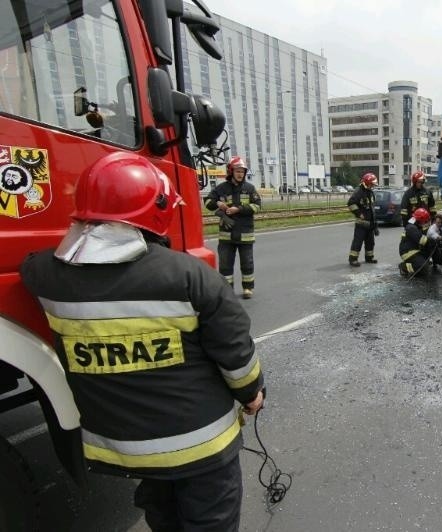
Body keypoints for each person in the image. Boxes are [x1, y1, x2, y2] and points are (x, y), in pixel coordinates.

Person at [20, 152, 265, 531]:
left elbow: (31, 261)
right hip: (202, 449)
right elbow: (235, 355)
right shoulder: (190, 276)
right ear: (157, 209)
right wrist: (252, 394)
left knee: (163, 517)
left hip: (128, 448)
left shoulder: (44, 276)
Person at [205, 156, 262, 298]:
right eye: (237, 171)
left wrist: (239, 209)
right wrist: (218, 204)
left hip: (245, 234)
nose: (240, 174)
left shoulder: (249, 189)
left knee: (247, 263)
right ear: (231, 171)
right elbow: (207, 202)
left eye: (242, 171)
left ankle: (248, 288)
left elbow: (257, 206)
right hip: (226, 235)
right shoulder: (221, 188)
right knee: (225, 265)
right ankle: (227, 291)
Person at [347, 172, 378, 266]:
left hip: (370, 223)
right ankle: (353, 259)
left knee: (370, 242)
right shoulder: (359, 192)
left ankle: (369, 258)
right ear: (366, 183)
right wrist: (358, 213)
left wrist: (375, 225)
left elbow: (371, 208)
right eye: (371, 184)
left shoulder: (370, 192)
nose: (372, 186)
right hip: (361, 223)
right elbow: (351, 203)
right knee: (358, 242)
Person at [399, 207, 438, 277]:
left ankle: (421, 262)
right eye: (425, 221)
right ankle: (404, 267)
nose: (426, 223)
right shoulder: (411, 228)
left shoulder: (416, 225)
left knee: (430, 247)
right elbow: (423, 240)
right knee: (423, 268)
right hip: (408, 252)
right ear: (420, 220)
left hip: (415, 249)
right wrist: (433, 240)